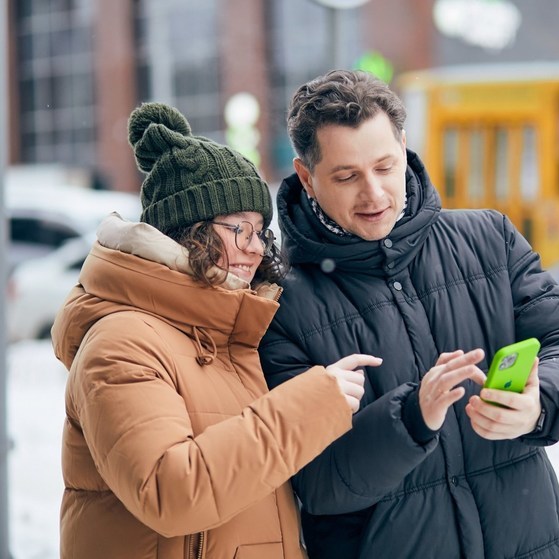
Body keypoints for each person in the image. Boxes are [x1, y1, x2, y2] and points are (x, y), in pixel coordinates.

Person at [260, 70, 559, 559]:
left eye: (385, 166)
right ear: (306, 177)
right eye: (347, 176)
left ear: (403, 146)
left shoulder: (491, 240)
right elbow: (319, 483)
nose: (375, 194)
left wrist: (541, 400)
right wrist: (411, 417)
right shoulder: (277, 304)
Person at [51, 102, 381, 559]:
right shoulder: (122, 342)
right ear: (188, 230)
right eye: (238, 230)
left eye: (260, 232)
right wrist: (304, 409)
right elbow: (173, 492)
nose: (253, 249)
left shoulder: (226, 337)